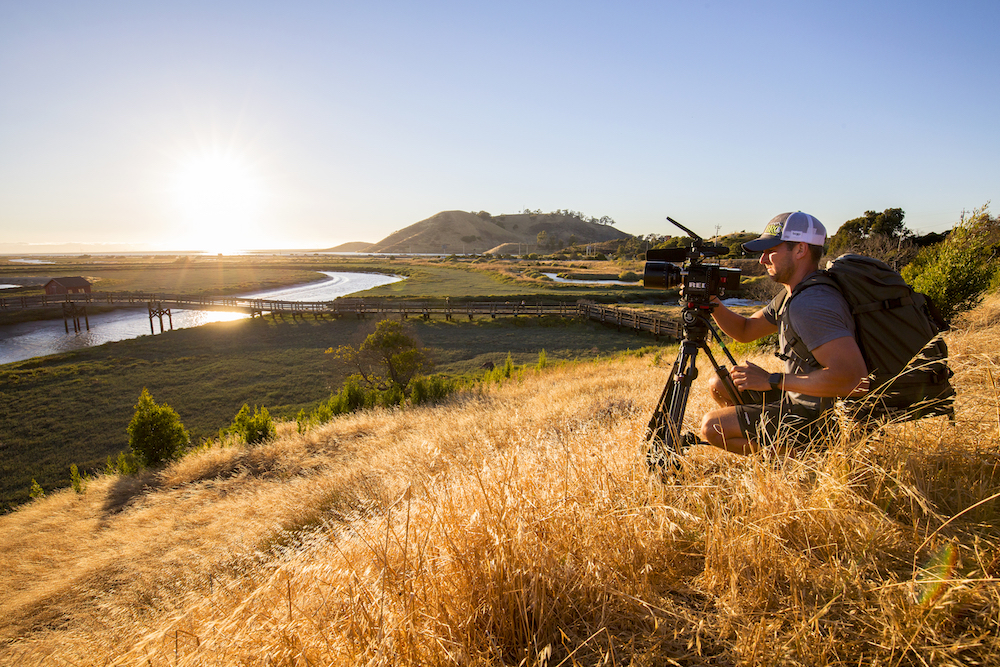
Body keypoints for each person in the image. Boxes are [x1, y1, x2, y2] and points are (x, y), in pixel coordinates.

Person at [698, 211, 869, 455]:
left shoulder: (812, 303)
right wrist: (711, 300)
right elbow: (745, 331)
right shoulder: (793, 295)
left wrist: (773, 380)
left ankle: (803, 458)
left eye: (771, 251)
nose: (762, 259)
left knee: (712, 427)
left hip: (817, 414)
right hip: (799, 398)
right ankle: (776, 447)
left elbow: (854, 380)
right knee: (721, 384)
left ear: (800, 250)